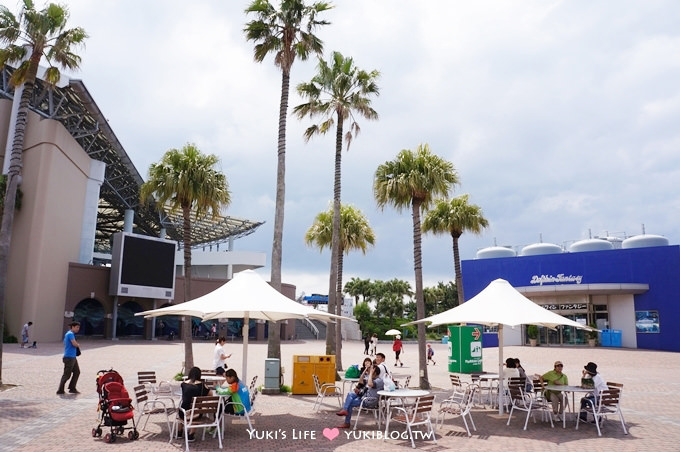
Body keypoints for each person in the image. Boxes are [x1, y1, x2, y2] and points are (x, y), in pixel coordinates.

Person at [336, 364, 384, 428]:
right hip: (364, 397)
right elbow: (360, 381)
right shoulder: (370, 378)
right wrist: (365, 370)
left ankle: (346, 422)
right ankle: (345, 410)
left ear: (374, 372)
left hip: (369, 401)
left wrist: (371, 374)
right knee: (350, 394)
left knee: (350, 403)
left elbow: (370, 384)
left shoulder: (379, 380)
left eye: (369, 371)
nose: (368, 372)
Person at [177, 367, 212, 442]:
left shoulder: (183, 384)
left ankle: (179, 433)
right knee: (196, 410)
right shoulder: (203, 386)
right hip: (195, 414)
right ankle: (191, 434)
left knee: (182, 407)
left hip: (183, 414)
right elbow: (211, 395)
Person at [57, 321, 81, 395]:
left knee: (77, 372)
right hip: (69, 357)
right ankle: (60, 390)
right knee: (67, 374)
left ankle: (72, 388)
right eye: (77, 327)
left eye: (78, 327)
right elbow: (74, 343)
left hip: (72, 357)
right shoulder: (70, 334)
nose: (78, 329)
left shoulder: (70, 334)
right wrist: (78, 345)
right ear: (73, 327)